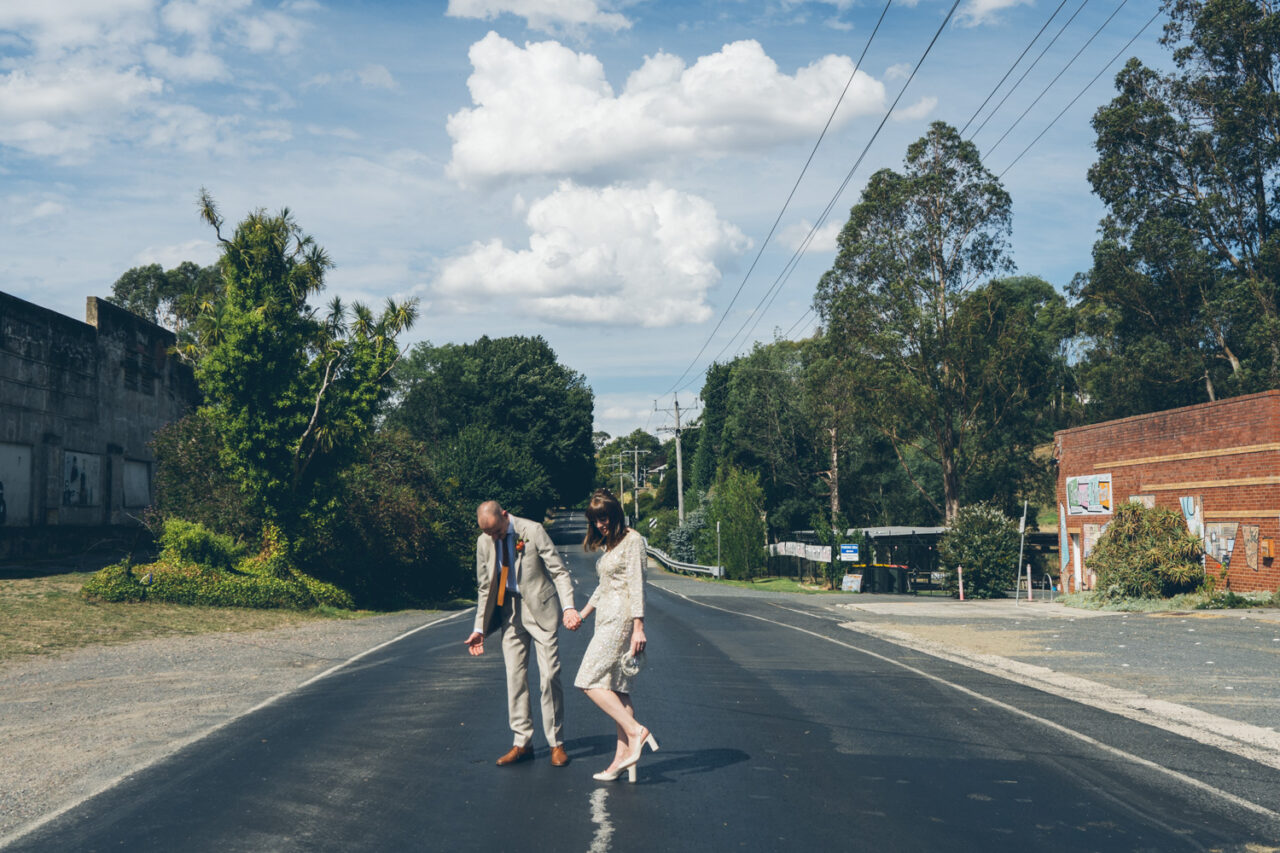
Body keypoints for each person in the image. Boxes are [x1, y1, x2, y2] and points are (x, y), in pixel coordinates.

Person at [465, 501, 582, 767]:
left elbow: (559, 571)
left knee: (550, 675)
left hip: (541, 609)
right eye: (489, 534)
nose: (494, 538)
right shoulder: (484, 542)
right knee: (515, 677)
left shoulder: (533, 530)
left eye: (497, 532)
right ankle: (522, 743)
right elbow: (485, 587)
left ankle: (556, 743)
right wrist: (478, 629)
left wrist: (569, 608)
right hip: (510, 611)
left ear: (505, 516)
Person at [574, 489, 659, 782]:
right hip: (605, 617)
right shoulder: (611, 546)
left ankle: (637, 732)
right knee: (620, 689)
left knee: (587, 679)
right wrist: (582, 615)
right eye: (596, 520)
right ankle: (623, 760)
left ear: (616, 514)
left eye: (605, 517)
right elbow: (603, 588)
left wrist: (638, 626)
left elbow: (637, 585)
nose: (601, 524)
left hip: (621, 619)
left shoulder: (633, 541)